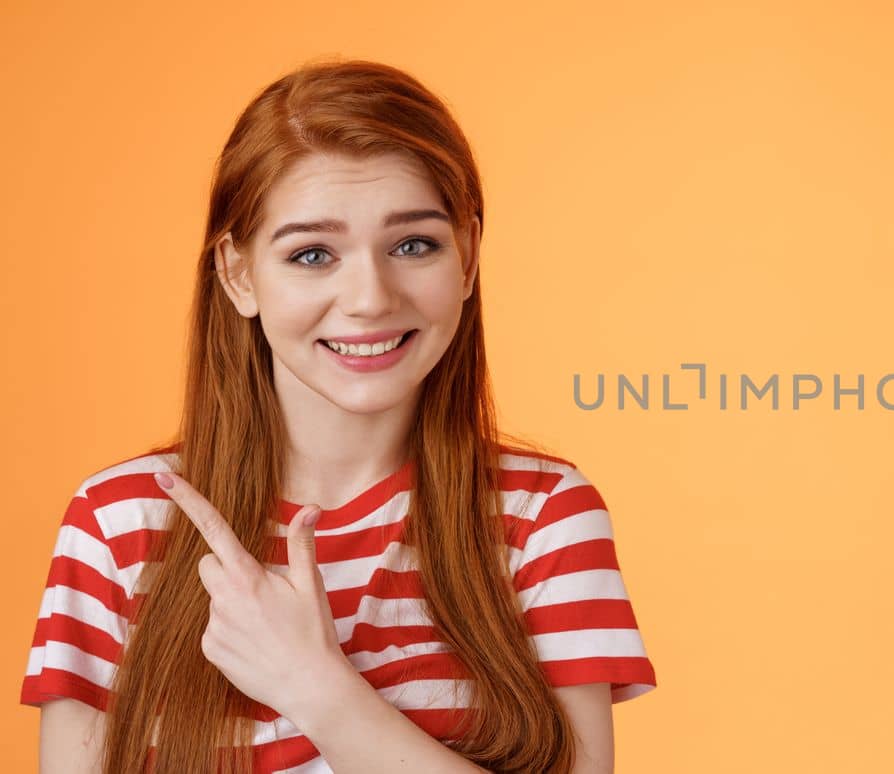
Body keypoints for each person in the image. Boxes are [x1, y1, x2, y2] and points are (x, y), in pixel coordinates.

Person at [19, 58, 656, 774]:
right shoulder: (119, 527)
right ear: (237, 273)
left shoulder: (543, 518)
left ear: (469, 256)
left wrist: (315, 687)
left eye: (413, 245)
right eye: (313, 254)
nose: (369, 297)